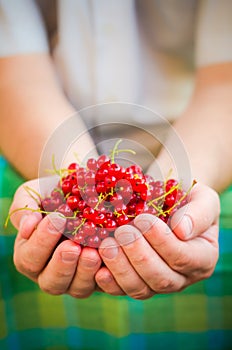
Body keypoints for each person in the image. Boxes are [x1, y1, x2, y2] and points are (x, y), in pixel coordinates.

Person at [0, 1, 232, 349]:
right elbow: (14, 71)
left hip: (207, 155)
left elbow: (224, 82)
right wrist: (69, 181)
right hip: (37, 148)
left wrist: (178, 197)